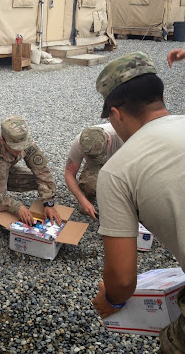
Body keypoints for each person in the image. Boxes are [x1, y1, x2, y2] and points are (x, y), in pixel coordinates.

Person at [91, 51, 185, 353]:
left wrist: (112, 299)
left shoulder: (118, 171)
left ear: (116, 114)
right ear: (161, 96)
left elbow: (121, 277)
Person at [0, 115, 62, 226]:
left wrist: (48, 203)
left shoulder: (24, 141)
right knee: (1, 168)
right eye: (15, 148)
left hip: (6, 170)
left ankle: (2, 193)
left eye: (22, 147)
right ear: (3, 141)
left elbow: (42, 171)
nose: (20, 151)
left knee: (38, 181)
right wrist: (16, 207)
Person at [64, 124, 123, 219]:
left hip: (123, 163)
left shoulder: (123, 136)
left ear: (108, 141)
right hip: (97, 166)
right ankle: (90, 195)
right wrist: (82, 200)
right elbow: (69, 173)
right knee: (90, 182)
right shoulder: (80, 141)